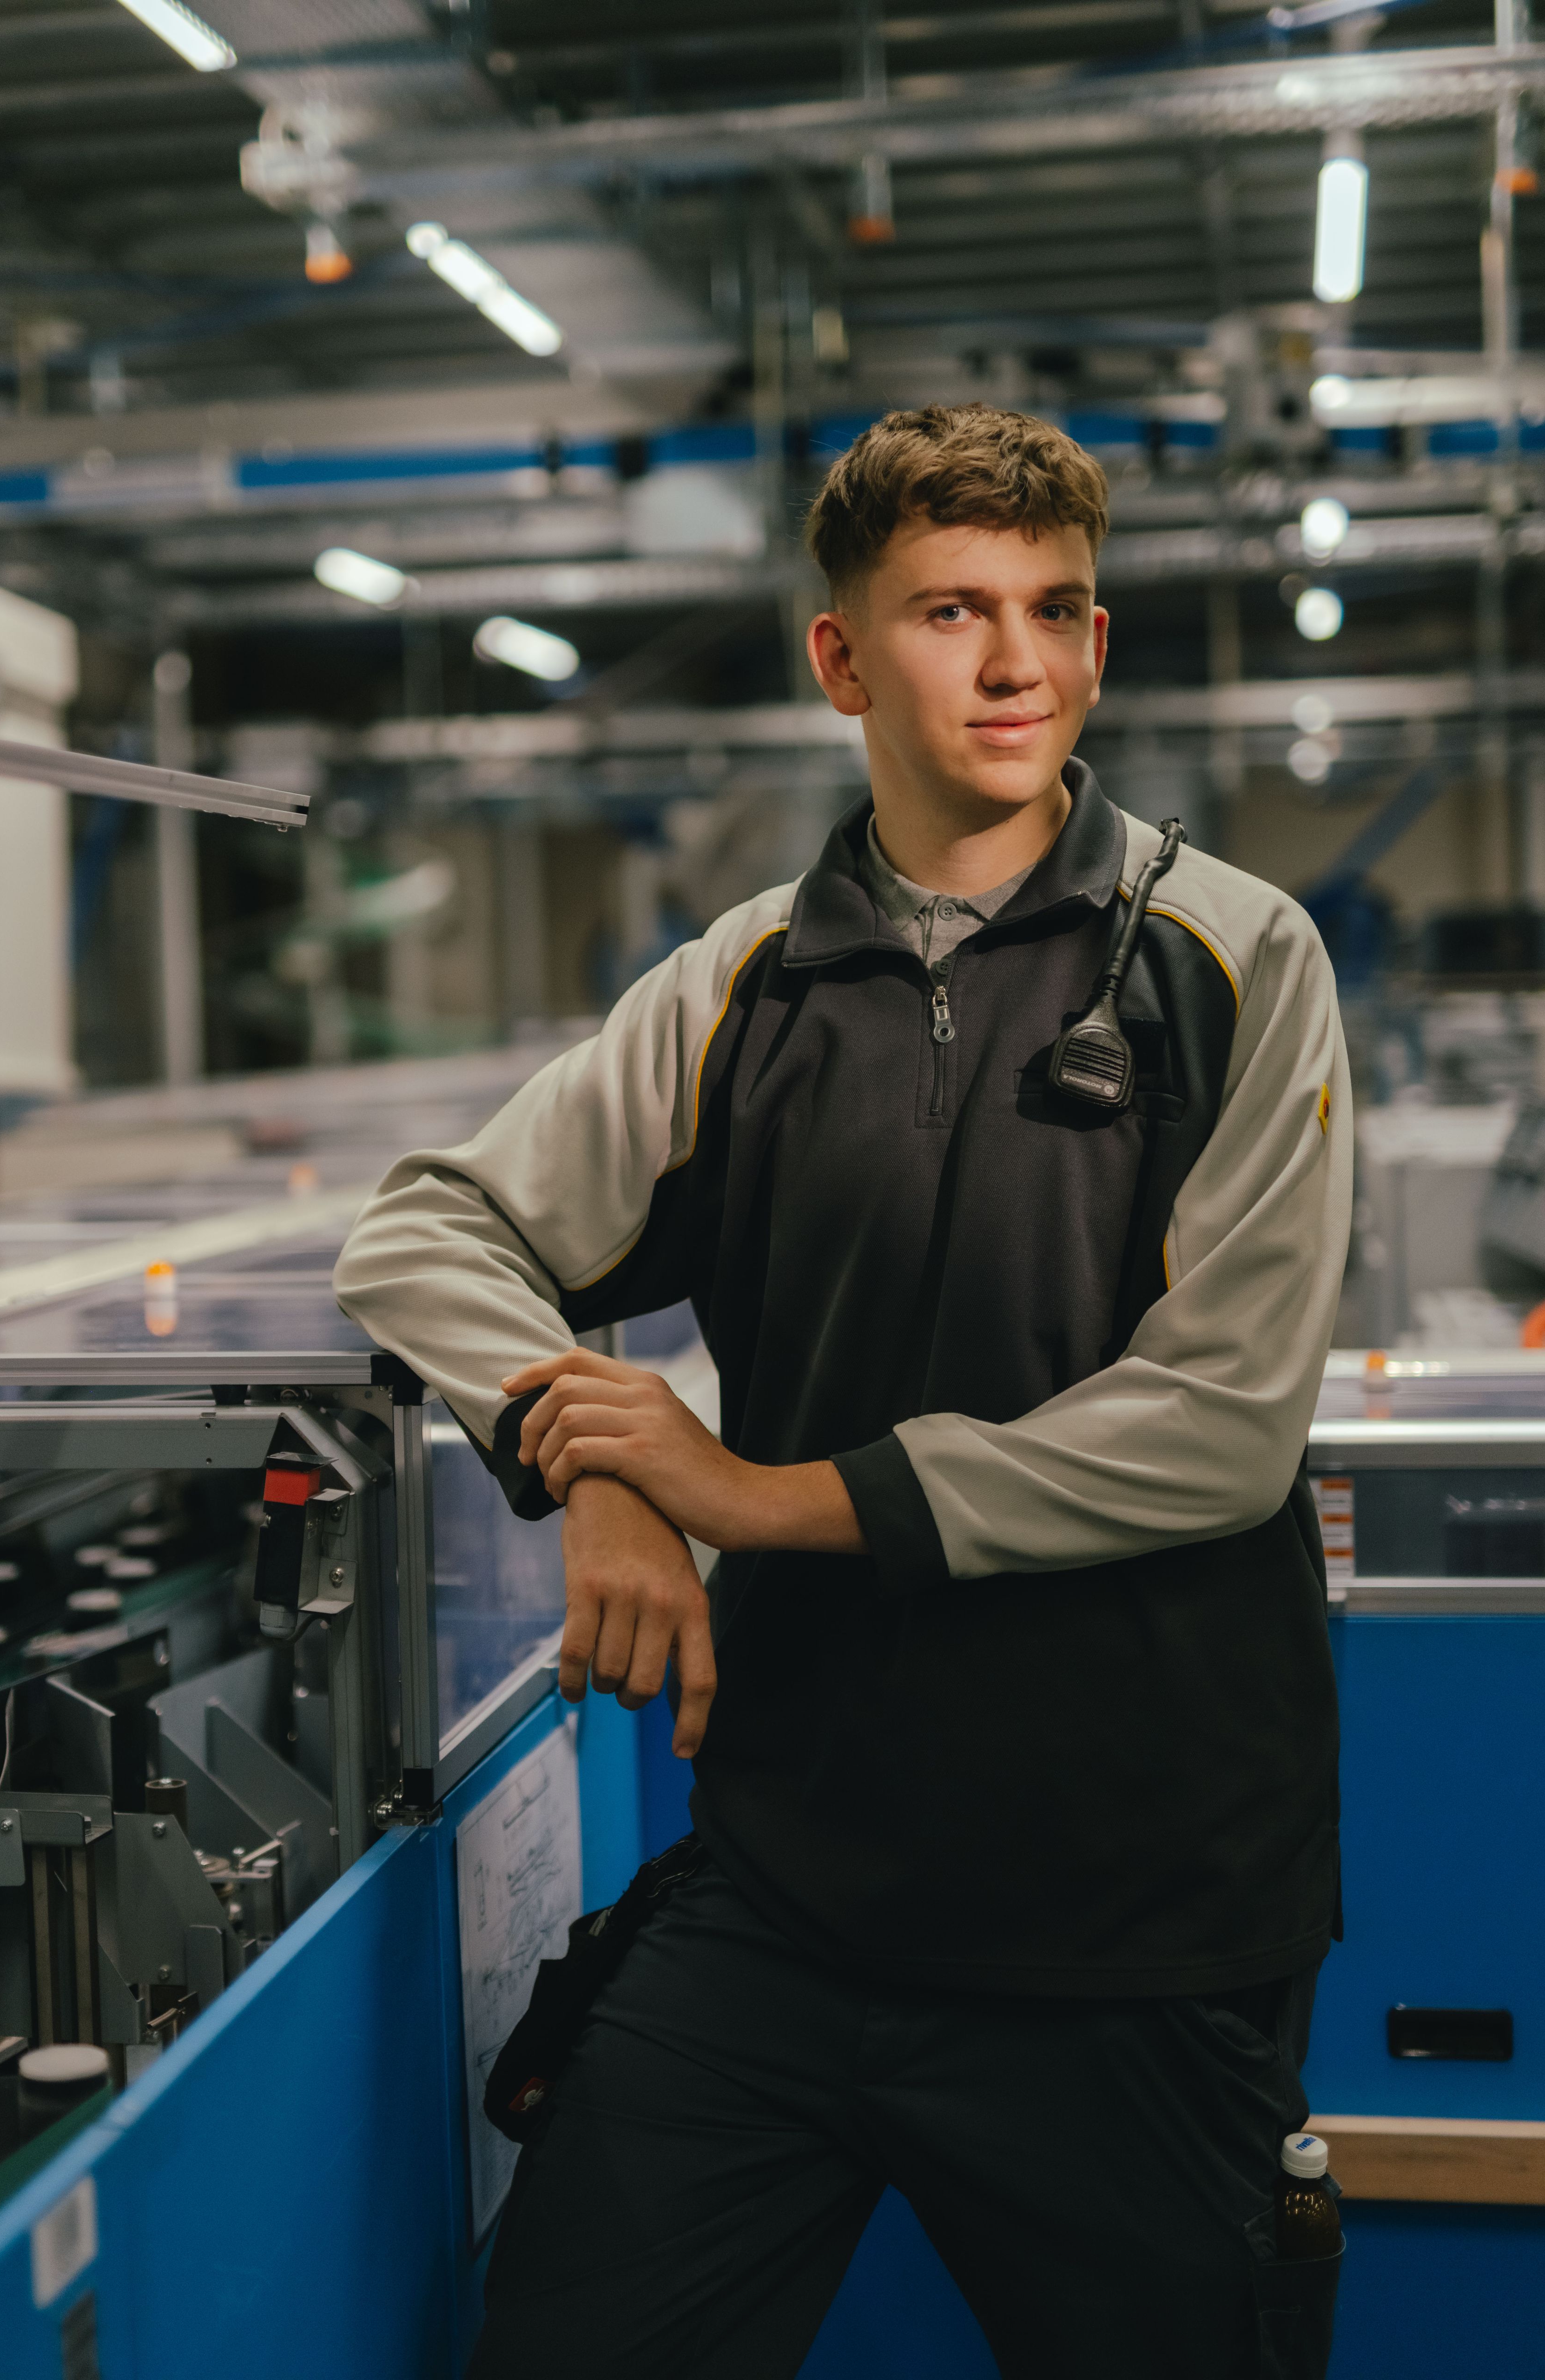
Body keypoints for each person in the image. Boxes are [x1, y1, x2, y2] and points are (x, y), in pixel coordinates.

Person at [334, 403, 1350, 2380]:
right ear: (842, 658)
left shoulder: (1234, 957)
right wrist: (596, 1458)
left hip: (1132, 1918)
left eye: (1053, 609)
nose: (1015, 660)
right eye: (953, 610)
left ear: (1097, 642)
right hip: (791, 1893)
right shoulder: (746, 985)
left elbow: (1223, 1427)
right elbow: (428, 1229)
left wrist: (747, 1493)